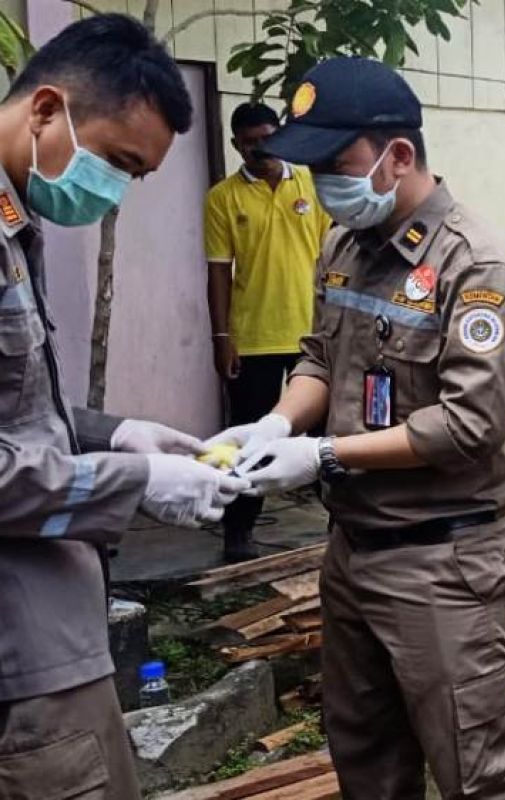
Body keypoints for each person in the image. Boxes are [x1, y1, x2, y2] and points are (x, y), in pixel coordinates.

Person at [206, 57, 505, 799]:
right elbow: (321, 358)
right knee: (366, 761)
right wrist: (276, 421)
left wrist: (322, 454)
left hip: (446, 564)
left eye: (337, 163)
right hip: (352, 552)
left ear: (399, 155)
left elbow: (468, 424)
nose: (325, 182)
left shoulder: (480, 266)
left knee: (478, 774)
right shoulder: (343, 247)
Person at [0, 15, 247, 799]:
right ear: (46, 109)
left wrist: (120, 432)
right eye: (115, 162)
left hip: (53, 625)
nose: (111, 192)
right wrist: (130, 481)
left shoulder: (14, 224)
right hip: (17, 646)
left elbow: (22, 410)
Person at [205, 101, 330, 562]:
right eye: (251, 141)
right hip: (252, 337)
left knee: (325, 436)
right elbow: (218, 272)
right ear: (237, 144)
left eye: (268, 137)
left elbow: (334, 258)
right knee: (250, 438)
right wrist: (222, 339)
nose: (261, 147)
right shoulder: (223, 197)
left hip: (312, 339)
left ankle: (342, 523)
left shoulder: (313, 187)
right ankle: (238, 532)